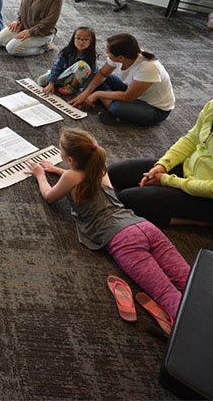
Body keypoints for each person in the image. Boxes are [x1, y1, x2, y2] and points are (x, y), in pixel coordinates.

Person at [27, 128, 190, 330]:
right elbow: (84, 179)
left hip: (123, 239)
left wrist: (40, 175)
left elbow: (50, 196)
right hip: (144, 226)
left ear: (70, 160)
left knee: (166, 294)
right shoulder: (101, 169)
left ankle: (197, 335)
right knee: (190, 281)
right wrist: (57, 170)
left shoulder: (70, 176)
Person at [107, 99, 213, 227]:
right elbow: (191, 139)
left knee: (127, 199)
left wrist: (167, 181)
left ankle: (201, 222)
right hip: (190, 170)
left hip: (207, 196)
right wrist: (163, 165)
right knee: (114, 173)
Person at [69, 33, 175, 127]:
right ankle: (107, 104)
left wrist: (97, 94)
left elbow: (128, 97)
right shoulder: (126, 55)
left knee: (117, 107)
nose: (107, 54)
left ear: (120, 58)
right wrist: (86, 92)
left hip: (154, 109)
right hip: (132, 90)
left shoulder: (148, 68)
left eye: (108, 53)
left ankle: (109, 107)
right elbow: (102, 73)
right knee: (96, 77)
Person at [37, 26, 97, 96]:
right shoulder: (67, 51)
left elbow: (92, 76)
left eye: (86, 39)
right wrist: (51, 83)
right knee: (41, 81)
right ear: (73, 39)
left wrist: (84, 92)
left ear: (91, 41)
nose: (81, 42)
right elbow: (57, 66)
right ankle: (60, 83)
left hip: (77, 81)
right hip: (65, 75)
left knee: (82, 65)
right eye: (78, 38)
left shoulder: (92, 57)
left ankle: (72, 87)